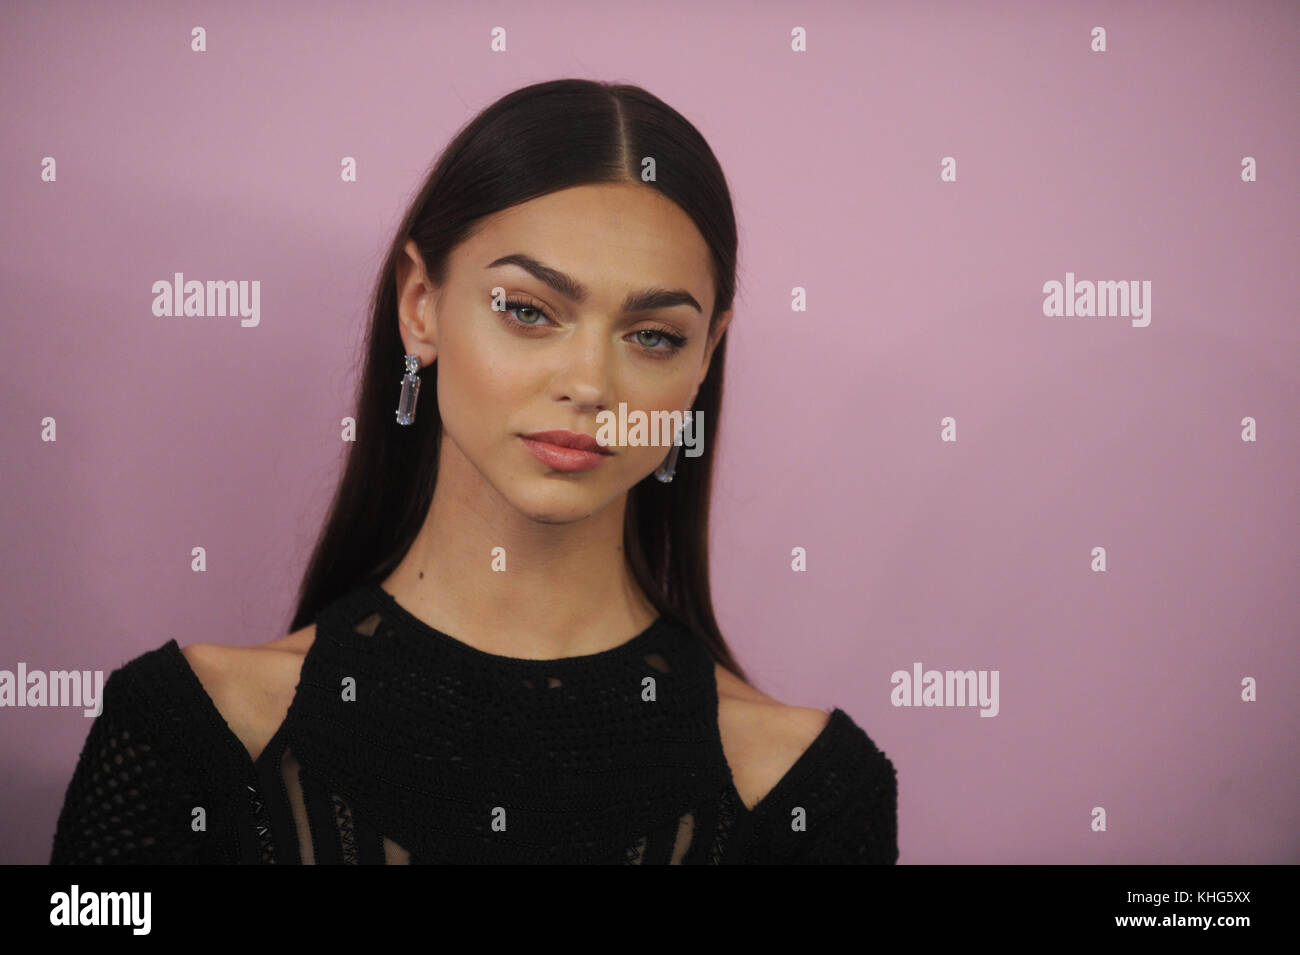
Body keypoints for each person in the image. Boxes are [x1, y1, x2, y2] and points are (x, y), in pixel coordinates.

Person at [49, 78, 898, 864]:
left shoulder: (807, 791)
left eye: (654, 335)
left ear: (706, 356)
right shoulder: (186, 735)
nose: (591, 385)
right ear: (421, 305)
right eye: (528, 311)